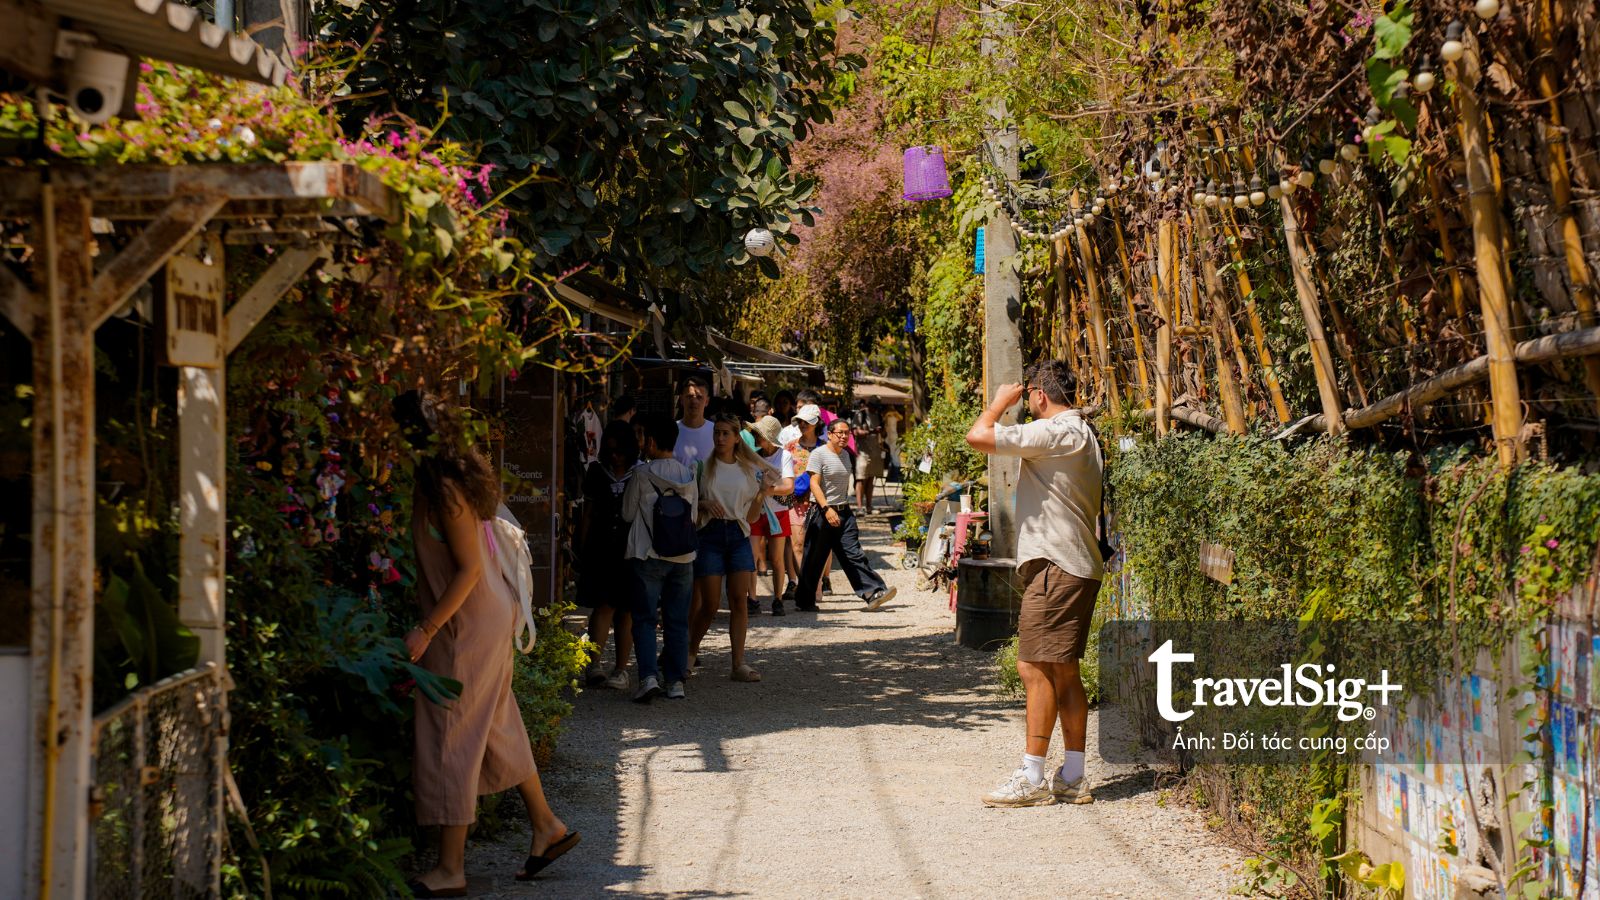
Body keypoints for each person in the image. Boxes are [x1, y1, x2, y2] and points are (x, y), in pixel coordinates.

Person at [392, 391, 577, 895]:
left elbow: (469, 568)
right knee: (495, 721)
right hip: (486, 613)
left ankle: (450, 869)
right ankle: (546, 825)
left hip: (465, 623)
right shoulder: (452, 476)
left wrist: (426, 629)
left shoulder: (445, 487)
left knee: (451, 732)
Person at [964, 360, 1103, 808]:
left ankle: (1033, 775)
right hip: (1073, 562)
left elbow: (978, 436)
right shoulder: (1081, 432)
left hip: (1057, 565)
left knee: (1033, 666)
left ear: (1040, 396)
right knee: (1061, 668)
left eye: (1030, 400)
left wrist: (1000, 403)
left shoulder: (1056, 432)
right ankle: (1074, 775)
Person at [688, 414, 778, 682]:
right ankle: (689, 655)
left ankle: (738, 663)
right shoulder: (703, 466)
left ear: (737, 438)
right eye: (717, 432)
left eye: (726, 433)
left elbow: (751, 516)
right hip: (710, 534)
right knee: (710, 604)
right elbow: (690, 503)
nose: (720, 438)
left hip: (738, 534)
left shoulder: (747, 469)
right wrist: (703, 504)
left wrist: (762, 493)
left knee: (740, 601)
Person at [621, 414, 699, 703]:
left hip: (647, 554)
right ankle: (676, 681)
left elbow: (628, 514)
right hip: (683, 557)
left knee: (644, 619)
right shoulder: (689, 474)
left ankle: (649, 677)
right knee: (677, 620)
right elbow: (691, 517)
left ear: (651, 442)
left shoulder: (641, 474)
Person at [794, 419, 897, 611]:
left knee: (854, 553)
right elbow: (814, 484)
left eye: (846, 433)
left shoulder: (846, 456)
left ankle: (873, 592)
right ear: (830, 434)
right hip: (822, 512)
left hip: (844, 512)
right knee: (814, 558)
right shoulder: (819, 454)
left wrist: (841, 509)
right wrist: (826, 508)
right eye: (839, 433)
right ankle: (804, 600)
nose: (843, 436)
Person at [577, 421, 637, 691]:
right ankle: (594, 665)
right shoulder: (595, 472)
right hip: (600, 548)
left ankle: (621, 669)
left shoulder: (640, 473)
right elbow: (588, 513)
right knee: (602, 606)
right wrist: (581, 545)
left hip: (630, 550)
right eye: (611, 451)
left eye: (620, 452)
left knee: (625, 610)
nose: (615, 457)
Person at [746, 415, 796, 615]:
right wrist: (766, 490)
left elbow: (789, 487)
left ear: (769, 436)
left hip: (778, 512)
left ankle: (777, 598)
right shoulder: (752, 456)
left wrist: (765, 489)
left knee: (776, 558)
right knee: (751, 557)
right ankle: (752, 598)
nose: (756, 436)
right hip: (757, 511)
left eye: (759, 433)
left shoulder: (785, 456)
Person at [674, 375, 714, 472]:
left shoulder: (716, 431)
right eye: (689, 396)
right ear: (681, 399)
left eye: (699, 397)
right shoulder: (671, 430)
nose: (694, 401)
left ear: (707, 401)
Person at [850, 399, 884, 512]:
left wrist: (881, 431)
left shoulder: (878, 415)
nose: (876, 409)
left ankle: (869, 506)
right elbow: (855, 432)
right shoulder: (861, 414)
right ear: (869, 404)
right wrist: (871, 431)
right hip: (862, 453)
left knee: (871, 478)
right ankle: (860, 507)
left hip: (875, 452)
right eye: (874, 406)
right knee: (861, 478)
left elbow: (884, 433)